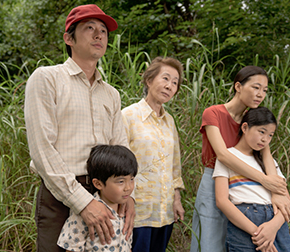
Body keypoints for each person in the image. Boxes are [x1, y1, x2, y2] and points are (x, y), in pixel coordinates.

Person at [24, 4, 134, 251]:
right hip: (60, 195)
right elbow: (42, 151)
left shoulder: (111, 94)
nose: (99, 35)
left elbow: (121, 150)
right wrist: (83, 202)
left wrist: (128, 195)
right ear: (68, 38)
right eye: (89, 28)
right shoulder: (47, 79)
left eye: (104, 31)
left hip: (108, 193)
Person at [190, 66, 290, 252]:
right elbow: (222, 155)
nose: (260, 94)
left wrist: (276, 190)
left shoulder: (252, 118)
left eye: (264, 90)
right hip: (216, 178)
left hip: (244, 185)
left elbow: (265, 154)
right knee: (210, 241)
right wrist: (264, 180)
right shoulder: (213, 113)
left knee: (236, 239)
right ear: (238, 86)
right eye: (256, 87)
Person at [122, 57, 185, 251]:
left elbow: (174, 165)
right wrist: (125, 200)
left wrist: (176, 200)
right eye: (165, 78)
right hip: (137, 211)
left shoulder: (170, 121)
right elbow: (119, 165)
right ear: (149, 81)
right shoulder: (128, 116)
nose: (169, 86)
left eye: (175, 83)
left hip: (164, 212)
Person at [214, 107, 290, 252]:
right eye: (262, 132)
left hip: (275, 223)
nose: (265, 139)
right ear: (245, 127)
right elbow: (222, 201)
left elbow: (287, 203)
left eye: (270, 135)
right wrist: (257, 233)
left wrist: (272, 227)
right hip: (244, 223)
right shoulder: (229, 158)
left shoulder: (269, 163)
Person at [57, 145, 137, 252]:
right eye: (121, 181)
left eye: (131, 179)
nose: (128, 187)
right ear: (98, 184)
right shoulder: (85, 214)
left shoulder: (126, 211)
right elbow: (72, 248)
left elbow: (127, 245)